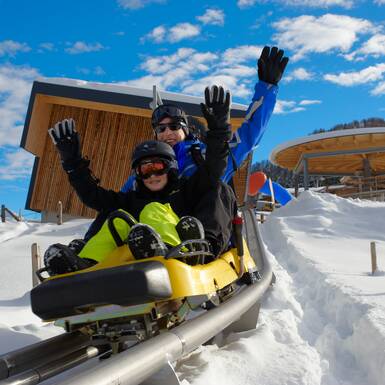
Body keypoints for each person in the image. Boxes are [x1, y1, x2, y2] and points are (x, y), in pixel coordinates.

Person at [43, 88, 236, 276]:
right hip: (142, 239)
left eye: (158, 167)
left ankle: (182, 252)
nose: (152, 175)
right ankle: (86, 264)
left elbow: (214, 168)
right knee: (116, 218)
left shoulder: (186, 186)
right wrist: (72, 163)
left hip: (183, 242)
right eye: (145, 170)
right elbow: (94, 196)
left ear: (171, 168)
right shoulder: (134, 197)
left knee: (214, 188)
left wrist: (219, 130)